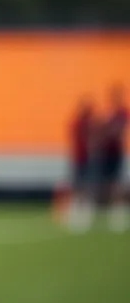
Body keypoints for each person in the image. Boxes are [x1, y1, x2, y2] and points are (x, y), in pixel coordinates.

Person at [97, 83, 127, 231]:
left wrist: (108, 130)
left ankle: (118, 212)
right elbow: (101, 129)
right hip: (106, 152)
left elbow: (117, 131)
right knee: (107, 182)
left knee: (116, 182)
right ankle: (108, 211)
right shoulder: (107, 113)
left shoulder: (122, 112)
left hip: (116, 151)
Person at [65, 96, 97, 230]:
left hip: (87, 158)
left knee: (86, 185)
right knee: (77, 184)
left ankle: (86, 212)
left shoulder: (90, 123)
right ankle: (76, 211)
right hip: (78, 158)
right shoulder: (77, 122)